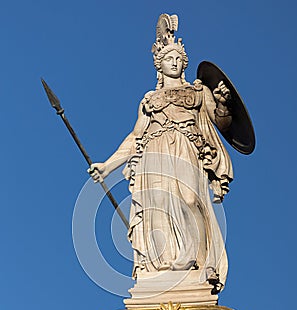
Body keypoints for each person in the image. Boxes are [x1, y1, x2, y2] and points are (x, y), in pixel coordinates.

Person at [89, 14, 233, 290]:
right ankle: (162, 263)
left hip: (185, 148)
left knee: (189, 200)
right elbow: (135, 136)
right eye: (169, 58)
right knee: (157, 206)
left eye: (179, 59)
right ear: (159, 64)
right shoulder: (150, 100)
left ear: (184, 64)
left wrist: (224, 103)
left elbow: (222, 121)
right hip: (153, 153)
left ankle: (194, 259)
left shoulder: (198, 92)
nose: (175, 62)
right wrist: (108, 165)